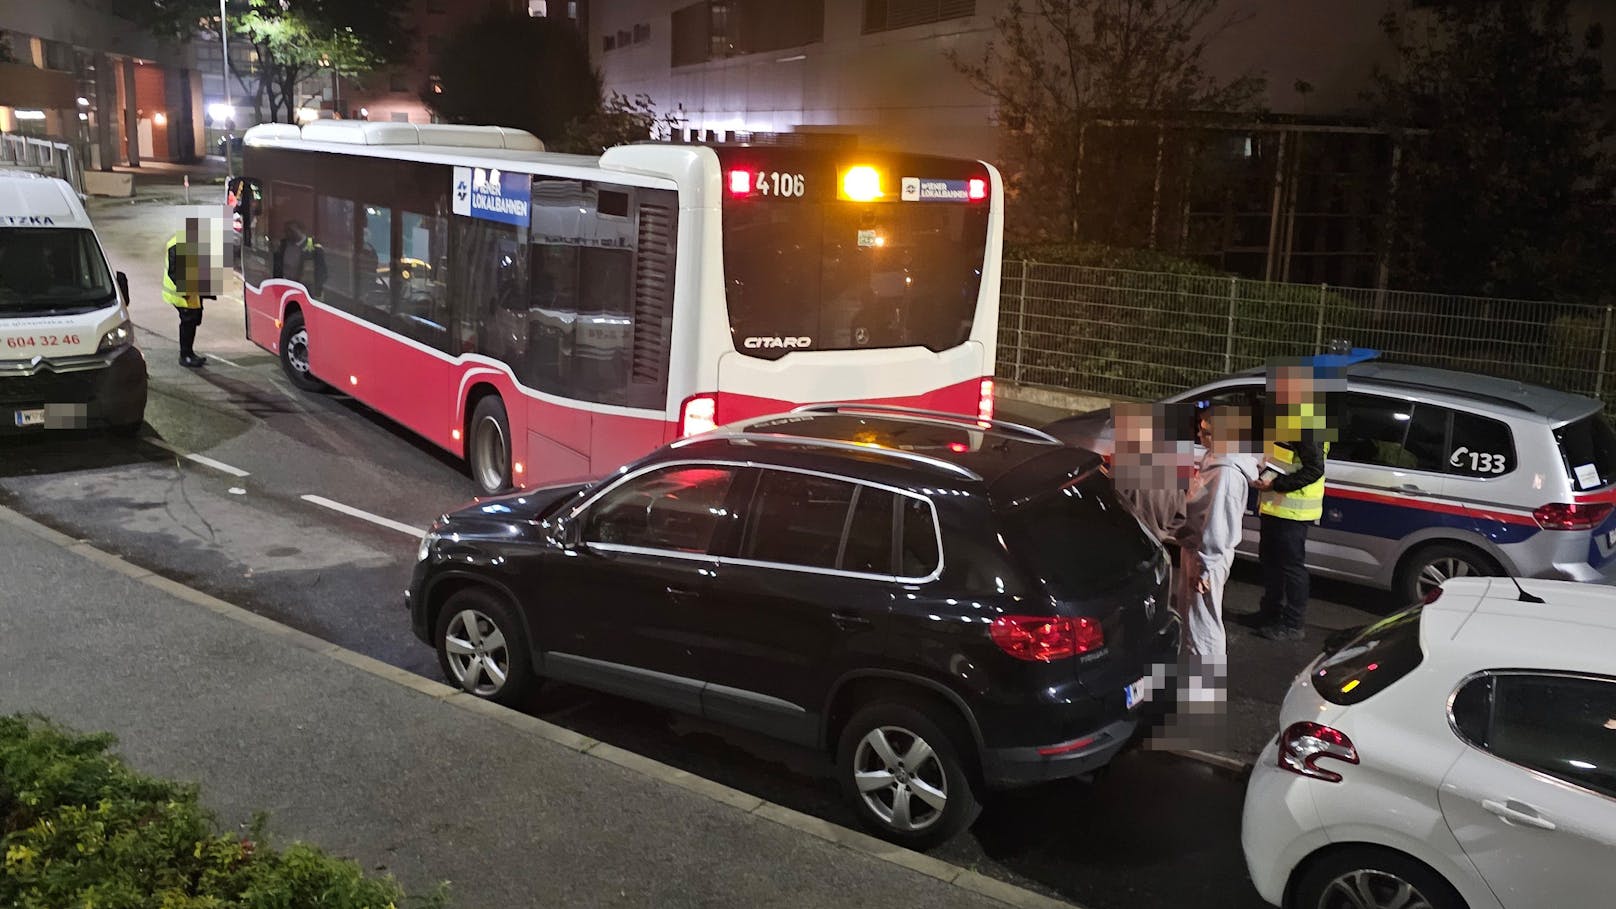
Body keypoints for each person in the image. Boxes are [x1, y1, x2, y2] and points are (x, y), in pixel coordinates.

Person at [1175, 405, 1261, 669]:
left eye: (1206, 433)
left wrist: (1204, 567)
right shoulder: (1216, 459)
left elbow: (1217, 525)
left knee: (1204, 624)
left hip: (1206, 557)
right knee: (1192, 618)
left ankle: (1203, 691)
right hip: (1197, 550)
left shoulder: (1226, 473)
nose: (1200, 437)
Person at [1250, 362, 1331, 641]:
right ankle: (1270, 612)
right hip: (1275, 504)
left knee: (1291, 567)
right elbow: (1280, 458)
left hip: (1293, 511)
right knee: (1270, 561)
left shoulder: (1306, 422)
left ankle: (1293, 624)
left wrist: (1277, 484)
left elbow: (1314, 469)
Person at [164, 219, 216, 368]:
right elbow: (174, 272)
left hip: (192, 292)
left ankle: (189, 353)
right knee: (188, 322)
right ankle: (185, 355)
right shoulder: (177, 244)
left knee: (193, 320)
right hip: (182, 294)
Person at [273, 220, 327, 297]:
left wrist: (316, 289)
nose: (288, 233)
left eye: (291, 230)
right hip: (284, 285)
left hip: (305, 290)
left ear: (302, 230)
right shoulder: (283, 244)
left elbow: (322, 272)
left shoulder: (314, 246)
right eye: (286, 231)